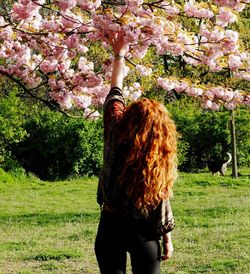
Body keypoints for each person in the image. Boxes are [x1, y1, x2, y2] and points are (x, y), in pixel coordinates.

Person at [95, 32, 178, 274]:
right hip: (144, 232)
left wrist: (119, 54)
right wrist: (168, 238)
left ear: (128, 117)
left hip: (109, 226)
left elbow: (115, 90)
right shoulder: (158, 158)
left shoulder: (113, 131)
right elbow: (162, 200)